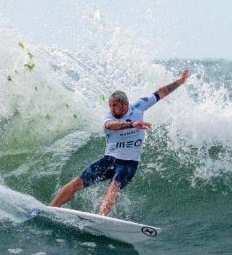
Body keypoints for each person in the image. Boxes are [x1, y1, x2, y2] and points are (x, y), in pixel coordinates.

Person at [50, 69, 190, 216]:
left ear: (125, 105)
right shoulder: (108, 117)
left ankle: (101, 218)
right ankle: (51, 208)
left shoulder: (138, 107)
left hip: (128, 163)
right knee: (77, 183)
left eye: (114, 106)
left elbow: (161, 93)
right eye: (110, 106)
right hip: (108, 160)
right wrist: (131, 125)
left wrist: (179, 82)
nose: (111, 109)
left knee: (113, 187)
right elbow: (111, 126)